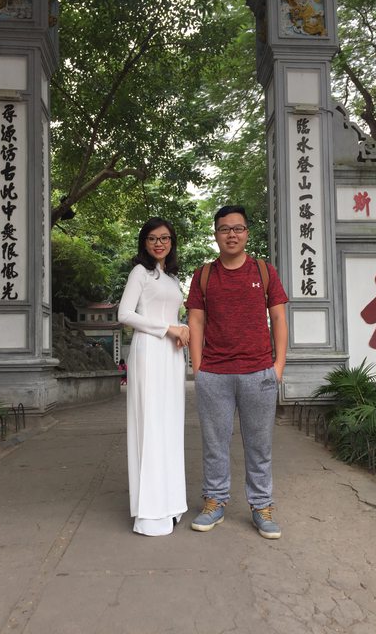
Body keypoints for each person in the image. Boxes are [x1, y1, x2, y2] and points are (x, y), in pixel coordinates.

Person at [185, 205, 288, 539]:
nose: (231, 234)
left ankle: (262, 506)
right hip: (214, 374)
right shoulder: (204, 275)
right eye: (224, 229)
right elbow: (196, 321)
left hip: (259, 373)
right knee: (214, 443)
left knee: (260, 445)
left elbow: (279, 317)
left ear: (247, 233)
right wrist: (198, 368)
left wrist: (278, 366)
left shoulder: (264, 271)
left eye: (238, 228)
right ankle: (214, 501)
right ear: (216, 234)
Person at [118, 217, 189, 536]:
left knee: (170, 425)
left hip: (171, 355)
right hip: (149, 351)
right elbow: (125, 314)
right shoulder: (140, 272)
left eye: (165, 238)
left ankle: (170, 504)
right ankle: (150, 512)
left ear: (172, 241)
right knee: (150, 425)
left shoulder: (172, 278)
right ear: (144, 243)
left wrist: (181, 328)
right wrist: (167, 329)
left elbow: (173, 316)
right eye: (152, 238)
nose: (159, 243)